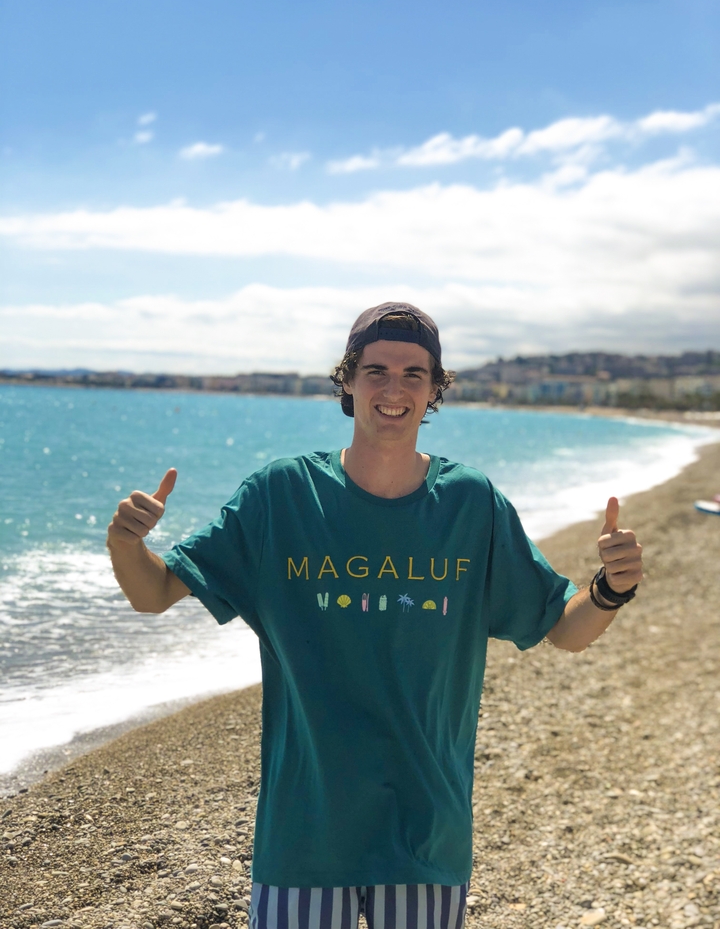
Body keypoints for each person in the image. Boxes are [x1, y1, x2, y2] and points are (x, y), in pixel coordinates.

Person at [107, 302, 643, 929]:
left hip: (425, 830)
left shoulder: (472, 503)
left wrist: (611, 588)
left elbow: (564, 628)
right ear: (347, 381)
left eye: (415, 374)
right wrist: (126, 543)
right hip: (304, 832)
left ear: (435, 390)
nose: (394, 389)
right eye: (376, 371)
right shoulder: (282, 495)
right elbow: (155, 592)